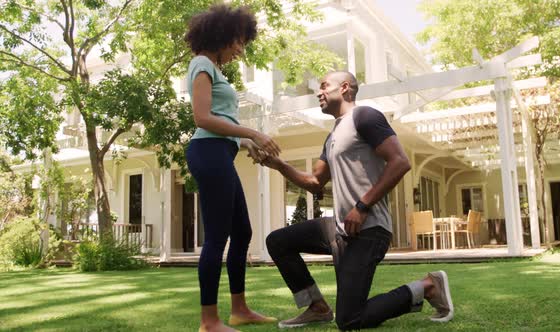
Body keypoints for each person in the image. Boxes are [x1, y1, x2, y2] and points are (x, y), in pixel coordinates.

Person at [262, 71, 454, 330]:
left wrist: (363, 206)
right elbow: (315, 182)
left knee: (350, 319)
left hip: (369, 229)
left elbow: (400, 162)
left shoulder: (365, 116)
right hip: (340, 229)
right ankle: (316, 307)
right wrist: (279, 165)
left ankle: (428, 286)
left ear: (344, 88)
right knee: (278, 241)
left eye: (323, 86)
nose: (318, 92)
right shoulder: (332, 136)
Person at [183, 5, 279, 332]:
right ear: (221, 34)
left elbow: (222, 123)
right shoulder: (201, 63)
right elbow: (203, 119)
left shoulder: (213, 68)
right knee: (217, 237)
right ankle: (209, 321)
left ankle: (239, 310)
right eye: (238, 41)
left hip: (220, 152)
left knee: (242, 232)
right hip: (207, 152)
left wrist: (244, 143)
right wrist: (253, 132)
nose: (241, 49)